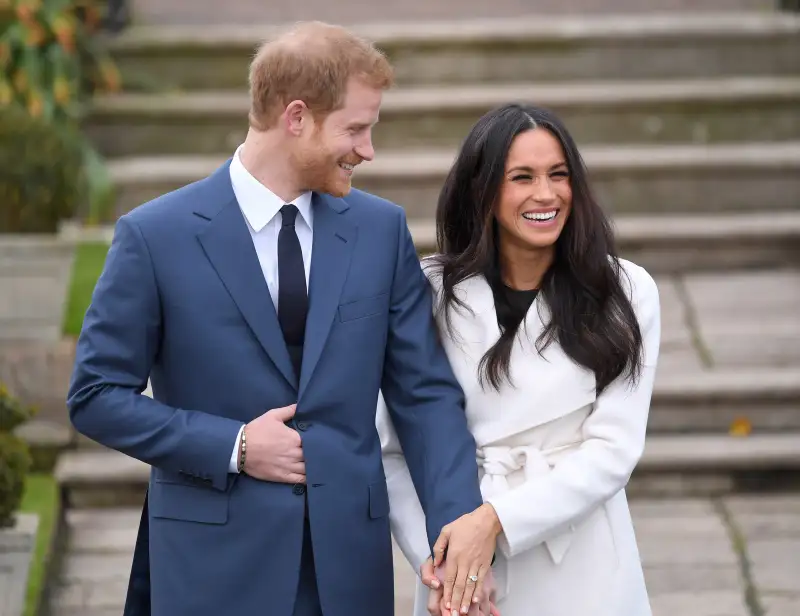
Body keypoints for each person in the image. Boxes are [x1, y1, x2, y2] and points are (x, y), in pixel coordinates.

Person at [67, 22, 499, 616]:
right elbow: (94, 395)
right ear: (296, 117)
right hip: (210, 568)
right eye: (356, 128)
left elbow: (424, 396)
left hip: (347, 572)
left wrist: (457, 539)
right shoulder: (155, 236)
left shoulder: (380, 231)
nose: (367, 150)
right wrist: (235, 445)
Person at [378, 103, 661, 616]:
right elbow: (394, 449)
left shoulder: (625, 290)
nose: (546, 195)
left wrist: (495, 521)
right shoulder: (428, 293)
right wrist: (447, 564)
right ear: (481, 190)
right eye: (521, 178)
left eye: (559, 175)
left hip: (581, 556)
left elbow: (614, 450)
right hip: (458, 559)